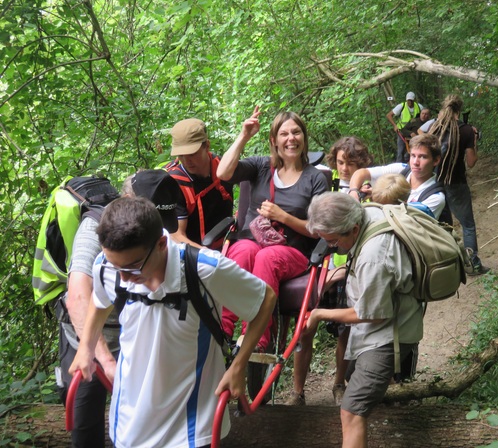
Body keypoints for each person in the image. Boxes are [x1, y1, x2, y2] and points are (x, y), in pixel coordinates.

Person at [69, 197, 276, 448]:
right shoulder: (109, 265)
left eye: (133, 268)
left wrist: (238, 366)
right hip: (129, 418)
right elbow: (100, 302)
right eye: (116, 266)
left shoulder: (203, 268)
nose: (123, 277)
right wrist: (86, 348)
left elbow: (265, 299)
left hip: (191, 422)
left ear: (161, 244)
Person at [58, 169, 182, 448]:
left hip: (134, 336)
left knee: (142, 423)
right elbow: (77, 298)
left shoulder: (153, 230)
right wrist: (104, 359)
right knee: (85, 420)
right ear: (129, 201)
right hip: (88, 336)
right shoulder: (94, 228)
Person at [304, 192, 423, 448]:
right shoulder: (368, 211)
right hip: (375, 330)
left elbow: (372, 313)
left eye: (334, 241)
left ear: (353, 229)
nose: (332, 246)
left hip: (388, 336)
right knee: (351, 374)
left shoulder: (372, 255)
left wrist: (320, 314)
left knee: (351, 411)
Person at [216, 107, 329, 373]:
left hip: (294, 250)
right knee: (242, 250)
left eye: (296, 132)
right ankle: (222, 330)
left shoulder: (315, 179)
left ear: (304, 138)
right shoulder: (259, 167)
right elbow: (222, 173)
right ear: (274, 140)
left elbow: (321, 230)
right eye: (284, 133)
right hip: (252, 242)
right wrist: (244, 136)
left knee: (268, 257)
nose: (291, 138)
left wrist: (284, 217)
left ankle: (256, 340)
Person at [293, 136, 373, 406]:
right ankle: (297, 391)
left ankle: (339, 383)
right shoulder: (326, 187)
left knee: (345, 329)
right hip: (323, 267)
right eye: (341, 162)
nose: (346, 168)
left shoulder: (368, 190)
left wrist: (342, 272)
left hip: (350, 270)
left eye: (351, 163)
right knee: (305, 327)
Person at [427, 94, 489, 275]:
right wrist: (474, 141)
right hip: (456, 183)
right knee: (467, 225)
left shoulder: (434, 128)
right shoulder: (467, 130)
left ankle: (446, 266)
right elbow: (471, 162)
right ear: (459, 111)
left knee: (442, 225)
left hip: (433, 183)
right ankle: (473, 264)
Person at [165, 118, 234, 249]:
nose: (186, 161)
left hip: (227, 241)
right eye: (181, 155)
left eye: (192, 154)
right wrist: (209, 257)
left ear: (207, 146)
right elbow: (177, 236)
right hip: (195, 252)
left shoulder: (222, 167)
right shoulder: (175, 183)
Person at [348, 134, 446, 220]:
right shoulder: (401, 169)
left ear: (436, 160)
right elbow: (361, 173)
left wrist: (379, 196)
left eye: (423, 157)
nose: (415, 162)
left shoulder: (436, 197)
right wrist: (354, 193)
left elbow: (401, 218)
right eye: (413, 155)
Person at [386, 92, 424, 162]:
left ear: (414, 100)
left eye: (411, 100)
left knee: (413, 150)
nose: (409, 102)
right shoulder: (401, 106)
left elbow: (425, 115)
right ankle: (398, 167)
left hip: (414, 132)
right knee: (401, 151)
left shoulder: (419, 107)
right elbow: (389, 115)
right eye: (408, 100)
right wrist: (395, 125)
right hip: (402, 131)